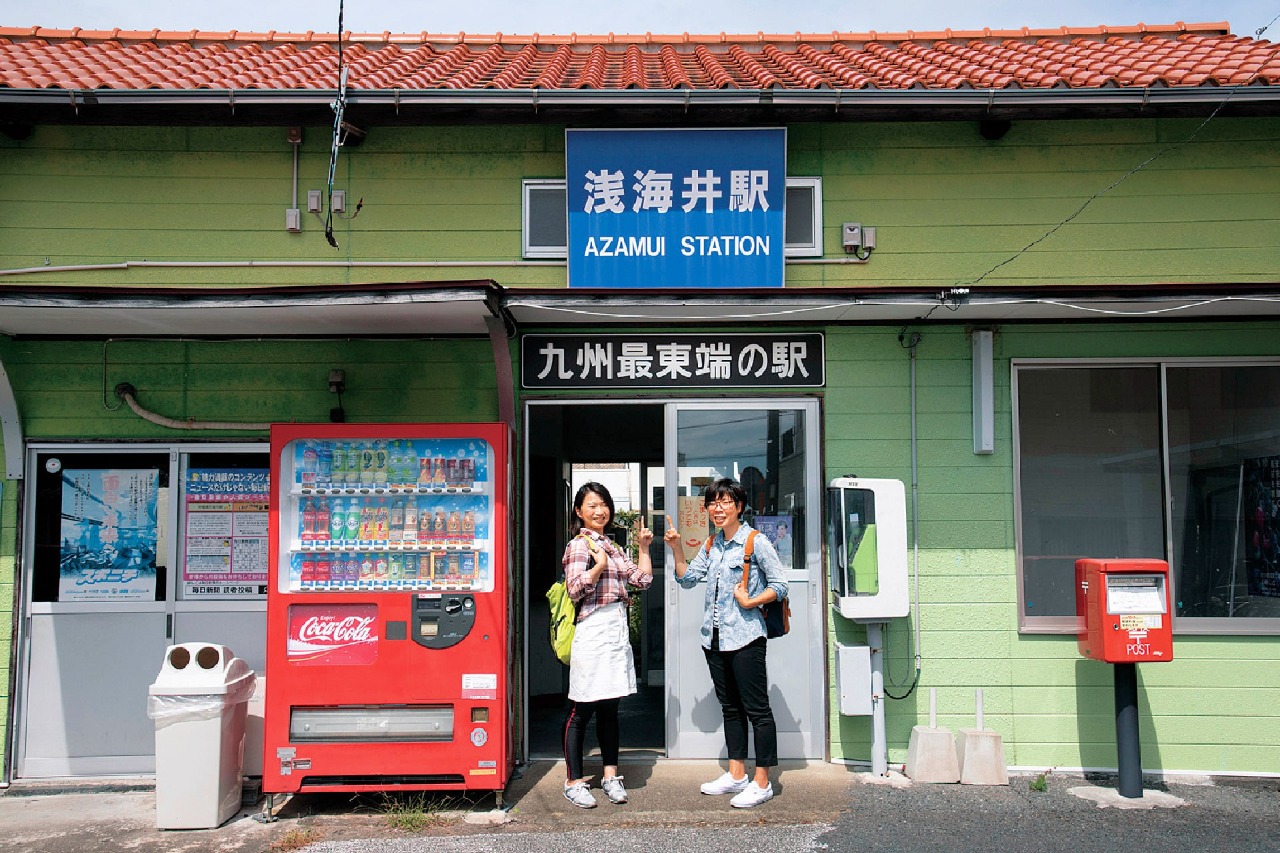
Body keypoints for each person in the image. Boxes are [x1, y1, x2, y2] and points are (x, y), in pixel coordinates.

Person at [664, 477, 788, 809]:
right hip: (714, 639)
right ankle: (736, 776)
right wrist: (677, 548)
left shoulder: (755, 542)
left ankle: (762, 782)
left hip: (746, 638)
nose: (717, 509)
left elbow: (781, 585)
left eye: (725, 502)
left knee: (757, 710)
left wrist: (751, 602)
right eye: (712, 503)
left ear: (739, 506)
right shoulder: (711, 544)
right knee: (730, 709)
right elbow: (687, 580)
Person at [561, 481, 655, 809]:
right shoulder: (578, 546)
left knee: (610, 709)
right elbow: (574, 589)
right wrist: (597, 566)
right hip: (592, 631)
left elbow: (642, 580)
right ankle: (573, 781)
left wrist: (643, 548)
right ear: (578, 511)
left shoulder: (612, 546)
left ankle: (610, 776)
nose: (600, 511)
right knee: (582, 707)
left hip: (615, 631)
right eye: (591, 506)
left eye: (604, 505)